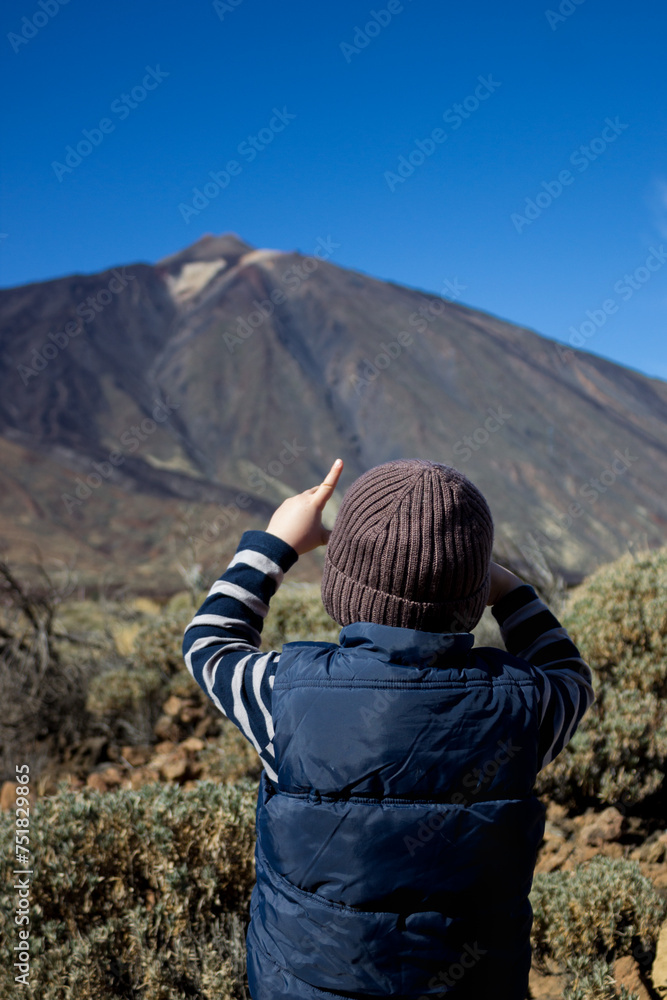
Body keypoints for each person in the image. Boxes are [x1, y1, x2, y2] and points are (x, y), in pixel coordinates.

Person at [182, 457, 594, 1000]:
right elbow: (571, 675)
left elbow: (209, 642)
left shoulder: (284, 694)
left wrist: (275, 544)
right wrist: (510, 591)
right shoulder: (524, 706)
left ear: (340, 584)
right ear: (472, 598)